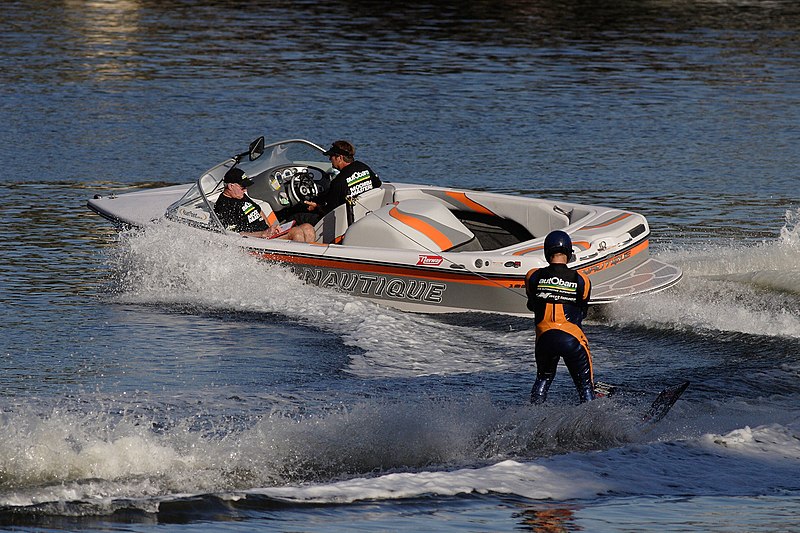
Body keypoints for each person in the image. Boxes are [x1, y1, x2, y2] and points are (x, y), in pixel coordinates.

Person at [524, 230, 595, 404]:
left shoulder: (532, 276)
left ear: (546, 253)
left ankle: (531, 416)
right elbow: (582, 311)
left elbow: (531, 304)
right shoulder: (582, 280)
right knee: (585, 386)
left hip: (544, 338)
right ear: (569, 254)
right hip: (571, 338)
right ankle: (594, 422)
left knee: (543, 378)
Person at [214, 167, 316, 242]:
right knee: (296, 233)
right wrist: (263, 234)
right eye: (242, 187)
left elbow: (259, 211)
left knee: (308, 228)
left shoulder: (239, 195)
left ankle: (312, 263)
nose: (245, 190)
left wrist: (271, 227)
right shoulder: (224, 206)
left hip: (266, 234)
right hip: (255, 240)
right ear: (231, 186)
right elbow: (234, 234)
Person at [293, 140, 381, 225]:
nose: (329, 158)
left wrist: (316, 207)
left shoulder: (339, 181)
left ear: (340, 158)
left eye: (331, 156)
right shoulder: (363, 167)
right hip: (364, 214)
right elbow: (377, 184)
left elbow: (329, 212)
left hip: (341, 222)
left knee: (296, 217)